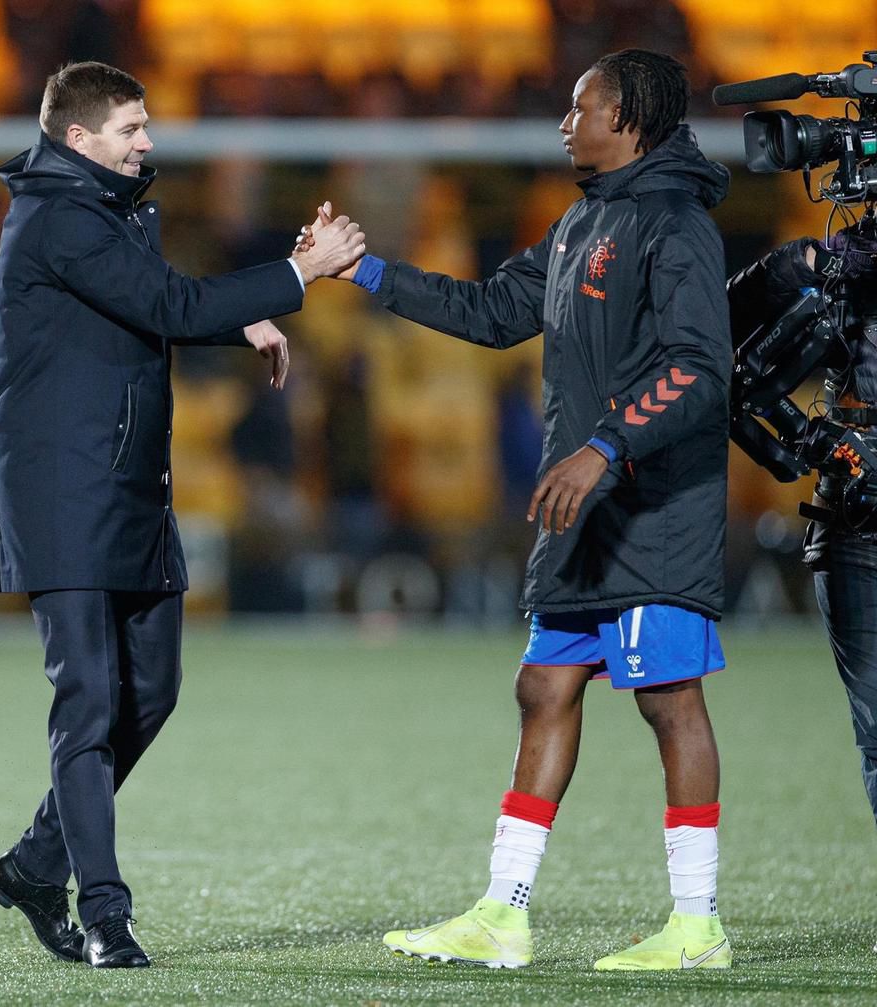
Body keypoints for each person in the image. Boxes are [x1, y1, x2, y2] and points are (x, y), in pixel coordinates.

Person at [301, 49, 732, 970]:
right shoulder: (579, 223)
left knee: (668, 698)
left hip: (653, 506)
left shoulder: (677, 223)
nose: (565, 123)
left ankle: (697, 926)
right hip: (581, 509)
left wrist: (605, 446)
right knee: (543, 687)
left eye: (582, 108)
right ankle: (504, 912)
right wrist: (366, 271)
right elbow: (493, 311)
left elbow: (700, 368)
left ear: (629, 119)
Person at [0, 61, 364, 969]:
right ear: (80, 139)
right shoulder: (56, 216)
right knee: (89, 702)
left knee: (151, 692)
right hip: (63, 493)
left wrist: (238, 320)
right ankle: (104, 915)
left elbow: (146, 302)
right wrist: (297, 273)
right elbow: (161, 301)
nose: (147, 141)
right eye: (130, 128)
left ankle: (34, 864)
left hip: (128, 486)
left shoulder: (104, 208)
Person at [728, 221, 877, 949]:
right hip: (854, 503)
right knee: (876, 725)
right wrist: (803, 265)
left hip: (853, 504)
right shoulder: (842, 263)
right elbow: (728, 345)